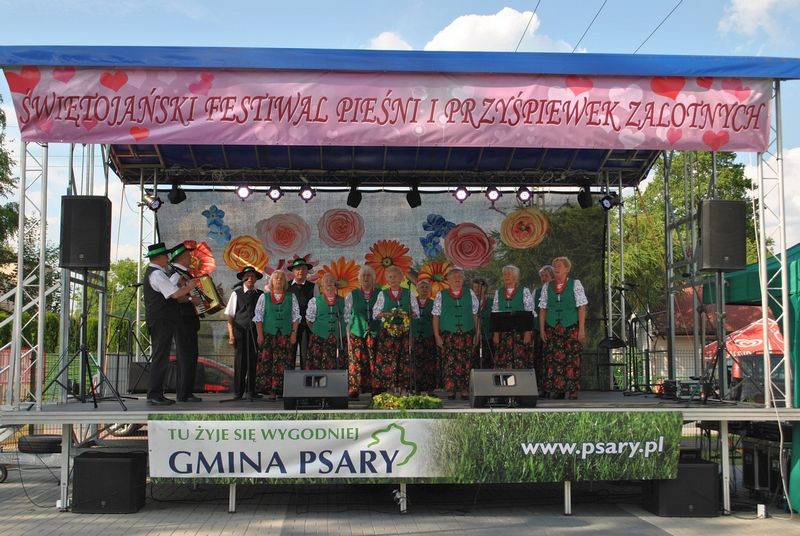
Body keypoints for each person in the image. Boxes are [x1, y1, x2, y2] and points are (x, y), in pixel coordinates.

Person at [142, 242, 197, 406]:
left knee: (162, 356)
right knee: (160, 356)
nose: (167, 258)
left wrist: (180, 285)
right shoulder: (157, 274)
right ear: (159, 257)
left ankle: (157, 393)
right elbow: (175, 295)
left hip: (162, 319)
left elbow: (170, 292)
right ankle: (154, 394)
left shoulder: (157, 273)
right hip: (161, 319)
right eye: (165, 256)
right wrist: (189, 287)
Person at [539, 257, 588, 400]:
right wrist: (542, 330)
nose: (556, 269)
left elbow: (581, 307)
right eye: (554, 266)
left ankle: (572, 390)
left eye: (559, 266)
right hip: (552, 327)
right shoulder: (547, 286)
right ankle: (557, 389)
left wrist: (581, 329)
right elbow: (542, 309)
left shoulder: (575, 284)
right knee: (553, 358)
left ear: (567, 269)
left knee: (572, 358)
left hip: (570, 326)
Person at [432, 267, 480, 400]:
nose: (457, 279)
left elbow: (476, 315)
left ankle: (465, 390)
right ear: (448, 280)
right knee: (450, 362)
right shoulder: (441, 295)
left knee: (467, 361)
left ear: (463, 279)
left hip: (467, 333)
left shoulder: (470, 293)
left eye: (459, 277)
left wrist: (478, 333)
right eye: (454, 277)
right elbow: (436, 316)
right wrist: (437, 336)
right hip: (449, 334)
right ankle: (451, 390)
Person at [372, 265, 420, 394]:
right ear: (387, 279)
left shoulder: (408, 293)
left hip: (405, 332)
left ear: (401, 278)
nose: (393, 279)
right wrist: (388, 314)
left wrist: (406, 314)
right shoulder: (383, 294)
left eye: (395, 277)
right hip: (388, 333)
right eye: (390, 277)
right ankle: (390, 390)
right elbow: (375, 313)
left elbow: (416, 312)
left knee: (404, 360)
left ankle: (404, 389)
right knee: (388, 360)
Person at [254, 270, 301, 399]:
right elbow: (258, 317)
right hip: (268, 335)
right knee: (268, 361)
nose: (279, 280)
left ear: (285, 282)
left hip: (285, 335)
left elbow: (296, 317)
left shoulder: (291, 297)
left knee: (284, 362)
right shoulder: (264, 297)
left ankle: (282, 390)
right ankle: (270, 391)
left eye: (281, 278)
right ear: (272, 282)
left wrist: (293, 334)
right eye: (276, 278)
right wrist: (260, 335)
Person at [168, 242, 202, 402]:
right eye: (188, 255)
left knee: (190, 355)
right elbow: (173, 296)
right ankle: (183, 393)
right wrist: (190, 299)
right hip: (182, 319)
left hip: (189, 319)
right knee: (185, 356)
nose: (190, 258)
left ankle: (187, 392)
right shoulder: (175, 274)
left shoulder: (184, 273)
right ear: (181, 257)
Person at [225, 266, 264, 400]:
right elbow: (230, 316)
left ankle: (251, 390)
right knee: (240, 362)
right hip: (240, 331)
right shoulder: (236, 294)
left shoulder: (261, 294)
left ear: (256, 279)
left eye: (253, 276)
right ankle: (238, 391)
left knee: (254, 361)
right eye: (247, 276)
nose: (250, 278)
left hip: (255, 331)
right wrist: (231, 335)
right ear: (243, 278)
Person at [344, 265, 379, 399]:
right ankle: (354, 389)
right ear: (359, 279)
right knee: (356, 361)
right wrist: (349, 332)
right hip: (357, 332)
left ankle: (376, 388)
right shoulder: (352, 295)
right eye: (363, 276)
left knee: (375, 360)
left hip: (375, 332)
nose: (366, 278)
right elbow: (346, 315)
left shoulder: (380, 294)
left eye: (368, 275)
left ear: (373, 278)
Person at [491, 265, 535, 370]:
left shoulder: (524, 291)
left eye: (509, 274)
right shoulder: (499, 292)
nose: (506, 276)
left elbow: (530, 311)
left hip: (520, 332)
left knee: (520, 359)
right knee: (503, 359)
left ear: (515, 277)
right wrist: (496, 334)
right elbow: (495, 312)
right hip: (503, 332)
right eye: (505, 274)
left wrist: (528, 332)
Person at [306, 273, 346, 370]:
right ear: (322, 285)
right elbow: (309, 320)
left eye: (331, 280)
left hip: (338, 338)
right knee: (318, 364)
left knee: (338, 364)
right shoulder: (314, 301)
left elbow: (347, 318)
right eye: (326, 280)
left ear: (335, 284)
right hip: (319, 338)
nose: (329, 282)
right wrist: (317, 331)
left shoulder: (343, 300)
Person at [287, 256, 316, 369]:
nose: (300, 271)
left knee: (306, 356)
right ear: (293, 271)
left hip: (306, 327)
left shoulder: (313, 287)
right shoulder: (286, 286)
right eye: (298, 269)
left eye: (303, 269)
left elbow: (317, 306)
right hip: (289, 327)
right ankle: (288, 379)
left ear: (307, 271)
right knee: (289, 355)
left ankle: (306, 379)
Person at [412, 279, 437, 395]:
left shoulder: (434, 303)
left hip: (429, 336)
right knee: (416, 363)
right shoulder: (412, 302)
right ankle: (416, 388)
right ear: (417, 289)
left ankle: (430, 389)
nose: (424, 290)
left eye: (426, 288)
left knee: (430, 363)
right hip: (415, 336)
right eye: (422, 287)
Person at [533, 265, 554, 395]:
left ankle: (554, 388)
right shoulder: (536, 292)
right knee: (539, 359)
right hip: (538, 330)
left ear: (552, 276)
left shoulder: (556, 290)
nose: (543, 278)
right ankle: (541, 387)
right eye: (541, 276)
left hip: (553, 328)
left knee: (553, 359)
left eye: (546, 276)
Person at [472, 277, 492, 369]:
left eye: (479, 287)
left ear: (485, 288)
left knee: (487, 362)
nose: (477, 289)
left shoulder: (491, 302)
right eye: (475, 287)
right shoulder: (469, 302)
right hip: (473, 338)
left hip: (488, 337)